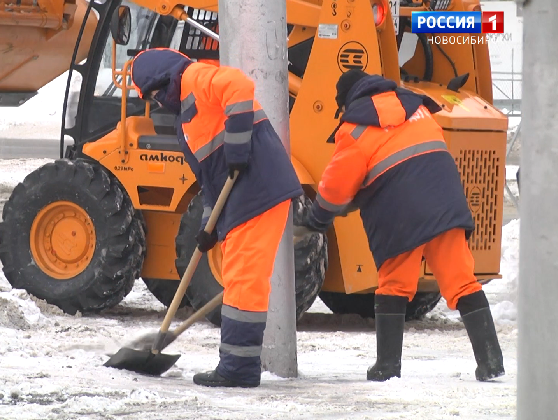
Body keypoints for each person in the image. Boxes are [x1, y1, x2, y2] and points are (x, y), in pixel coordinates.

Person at [304, 69, 505, 382]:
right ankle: (491, 361)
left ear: (348, 101)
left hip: (401, 215)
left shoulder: (356, 127)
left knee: (394, 284)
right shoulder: (419, 109)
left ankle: (388, 366)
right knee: (463, 281)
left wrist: (318, 217)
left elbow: (336, 186)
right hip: (444, 204)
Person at [129, 48, 304, 388]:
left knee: (242, 282)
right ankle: (238, 365)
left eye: (153, 95)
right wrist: (209, 225)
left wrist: (239, 146)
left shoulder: (195, 78)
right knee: (240, 280)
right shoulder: (188, 119)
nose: (156, 103)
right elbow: (213, 177)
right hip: (245, 197)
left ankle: (238, 369)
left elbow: (238, 84)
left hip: (259, 191)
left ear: (163, 81)